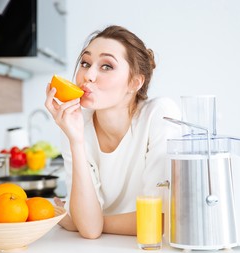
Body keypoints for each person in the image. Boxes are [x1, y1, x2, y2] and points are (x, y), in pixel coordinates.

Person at [45, 25, 181, 239]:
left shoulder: (160, 115)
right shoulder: (75, 124)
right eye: (85, 63)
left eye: (106, 66)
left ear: (135, 82)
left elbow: (161, 220)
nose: (88, 75)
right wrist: (76, 140)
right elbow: (89, 231)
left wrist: (83, 221)